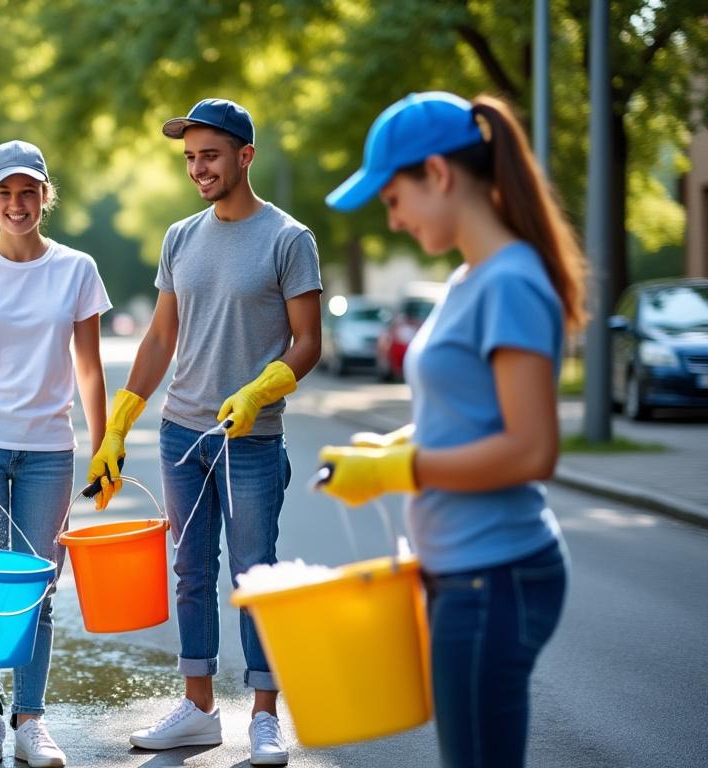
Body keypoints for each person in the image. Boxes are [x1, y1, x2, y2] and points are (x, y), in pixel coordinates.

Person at [319, 92, 584, 768]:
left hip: (491, 576)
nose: (394, 219)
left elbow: (531, 449)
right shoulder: (471, 278)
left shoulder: (512, 283)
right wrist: (395, 446)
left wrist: (399, 471)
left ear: (437, 173)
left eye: (393, 198)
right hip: (464, 574)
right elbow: (467, 417)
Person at [86, 99, 322, 765]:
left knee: (255, 574)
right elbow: (161, 337)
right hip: (182, 434)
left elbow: (309, 343)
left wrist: (258, 391)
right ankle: (197, 709)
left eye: (210, 155)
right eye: (190, 158)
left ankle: (267, 715)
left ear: (245, 156)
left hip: (250, 438)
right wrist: (118, 425)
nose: (198, 169)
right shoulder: (181, 237)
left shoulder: (288, 238)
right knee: (191, 573)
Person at [0, 140, 111, 767]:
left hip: (48, 451)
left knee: (38, 586)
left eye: (28, 192)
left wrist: (104, 444)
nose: (17, 203)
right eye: (4, 193)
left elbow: (89, 369)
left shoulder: (77, 269)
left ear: (45, 197)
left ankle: (30, 719)